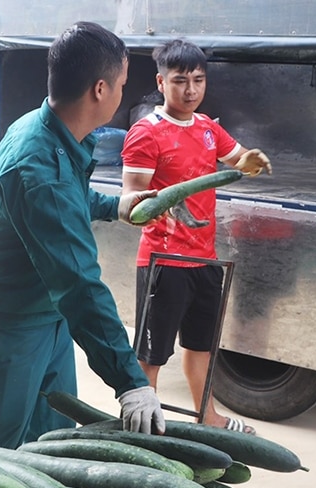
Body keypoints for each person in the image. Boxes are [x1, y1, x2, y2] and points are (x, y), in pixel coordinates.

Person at [0, 21, 165, 448]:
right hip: (10, 329)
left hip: (48, 320)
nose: (125, 94)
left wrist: (115, 206)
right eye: (124, 85)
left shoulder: (48, 128)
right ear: (101, 90)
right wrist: (131, 382)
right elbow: (79, 286)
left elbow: (67, 199)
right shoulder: (38, 166)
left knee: (52, 448)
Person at [121, 38, 272, 435]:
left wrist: (249, 161)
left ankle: (208, 415)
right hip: (163, 260)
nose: (190, 91)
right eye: (180, 81)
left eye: (198, 81)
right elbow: (132, 202)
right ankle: (143, 423)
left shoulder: (208, 129)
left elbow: (237, 158)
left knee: (201, 345)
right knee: (152, 353)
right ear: (161, 82)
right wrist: (160, 203)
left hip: (204, 257)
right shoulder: (145, 133)